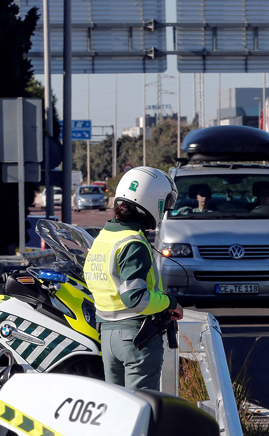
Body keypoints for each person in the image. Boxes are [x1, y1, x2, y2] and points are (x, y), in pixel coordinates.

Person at [84, 166, 184, 390]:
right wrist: (170, 303)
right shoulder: (133, 243)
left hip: (108, 336)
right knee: (141, 409)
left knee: (119, 409)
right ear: (152, 201)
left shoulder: (102, 239)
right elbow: (135, 297)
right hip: (136, 337)